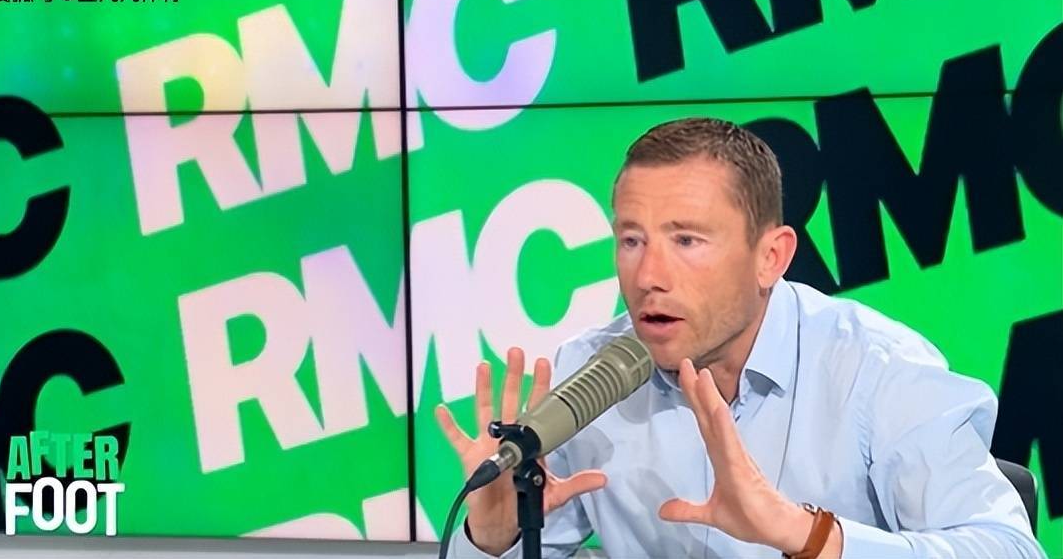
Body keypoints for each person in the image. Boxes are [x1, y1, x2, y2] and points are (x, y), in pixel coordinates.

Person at [435, 118, 1044, 558]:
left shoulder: (873, 369)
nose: (648, 276)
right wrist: (491, 538)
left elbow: (1010, 548)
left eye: (687, 240)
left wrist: (808, 535)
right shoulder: (595, 375)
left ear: (770, 257)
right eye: (632, 240)